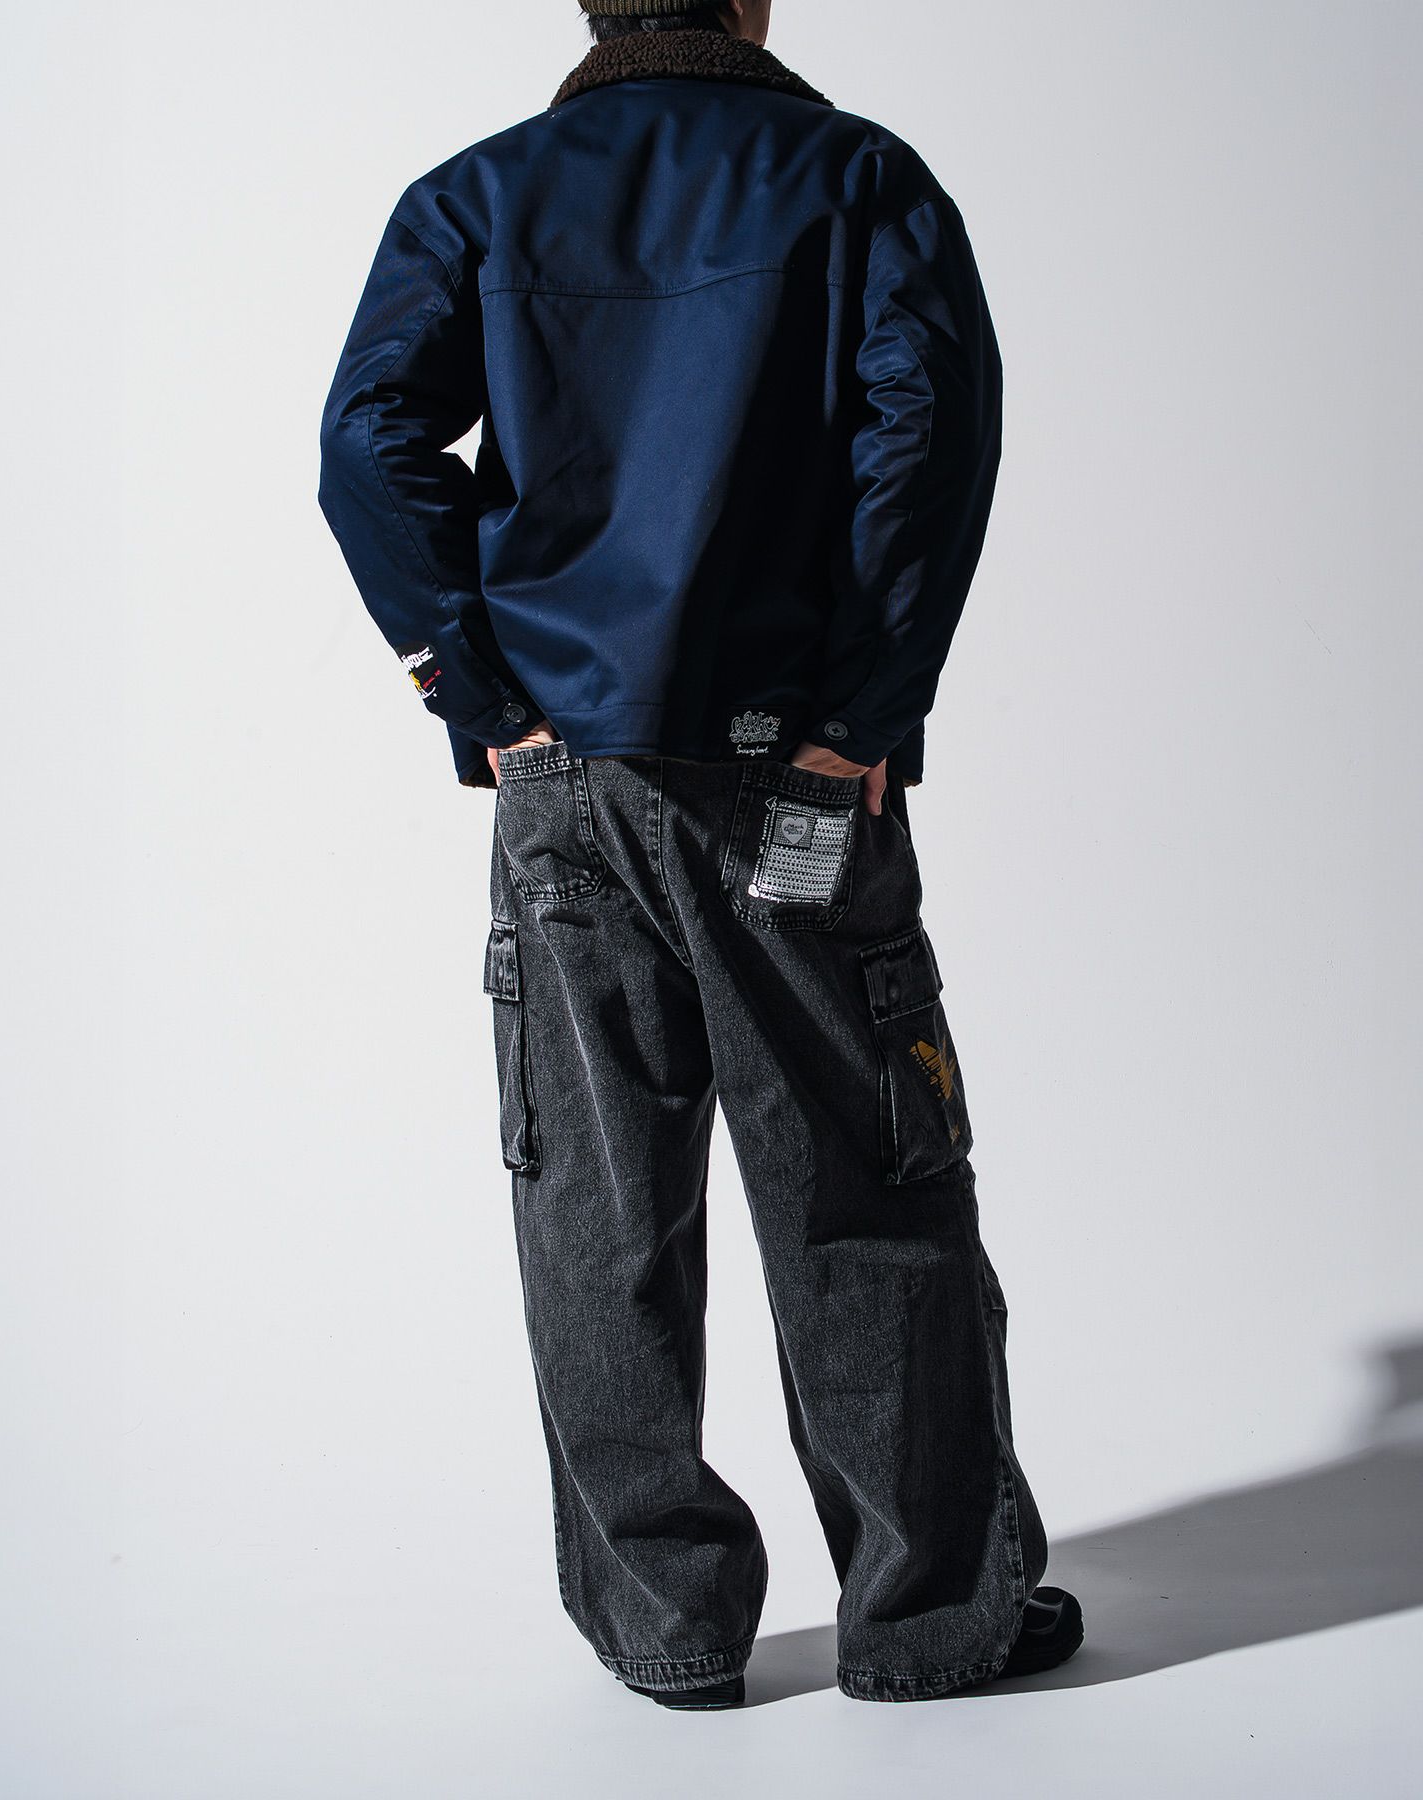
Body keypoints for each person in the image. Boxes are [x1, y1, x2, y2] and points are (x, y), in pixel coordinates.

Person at [317, 0, 1082, 1709]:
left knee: (595, 1207)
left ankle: (665, 1631)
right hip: (788, 774)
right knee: (861, 1184)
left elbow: (367, 443)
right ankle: (927, 1621)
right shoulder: (859, 181)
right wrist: (861, 715)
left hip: (563, 783)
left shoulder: (478, 196)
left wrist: (480, 696)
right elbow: (929, 439)